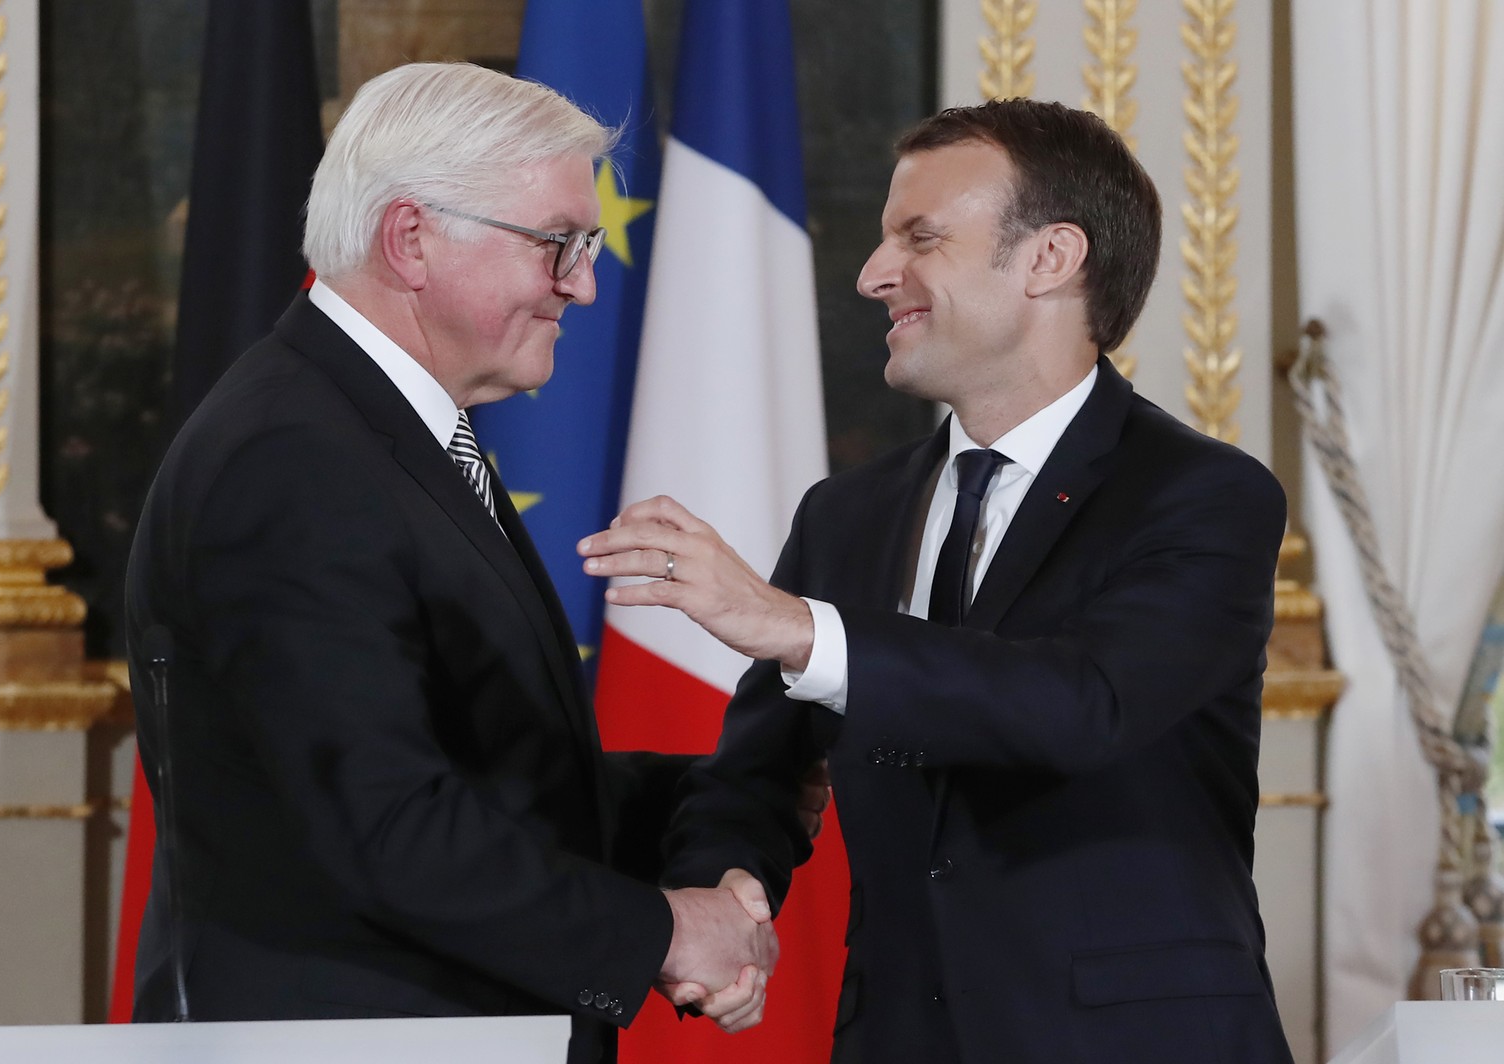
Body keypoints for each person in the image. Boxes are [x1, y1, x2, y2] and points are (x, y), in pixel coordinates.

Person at [579, 98, 1295, 1063]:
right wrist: (724, 893)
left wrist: (796, 627)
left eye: (919, 239)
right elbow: (757, 773)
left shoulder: (1205, 496)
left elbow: (1083, 706)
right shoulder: (847, 515)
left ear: (1050, 259)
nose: (875, 275)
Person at [124, 62, 782, 1062]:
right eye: (560, 243)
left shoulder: (379, 435)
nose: (586, 283)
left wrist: (728, 783)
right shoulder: (292, 459)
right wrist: (667, 929)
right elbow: (387, 824)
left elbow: (481, 777)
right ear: (410, 238)